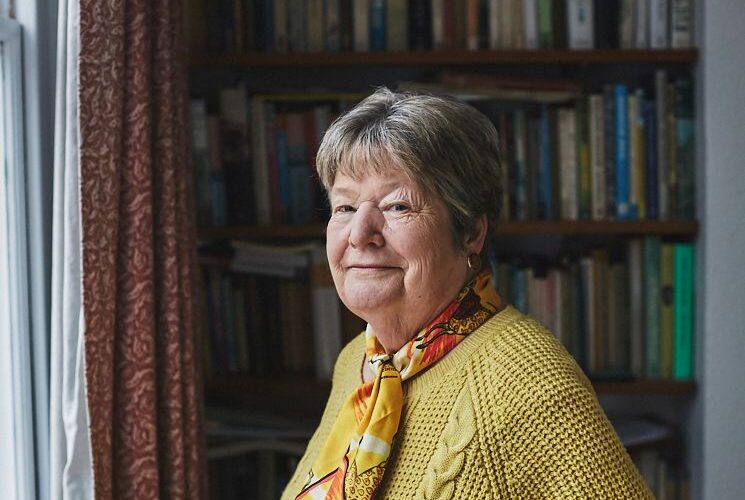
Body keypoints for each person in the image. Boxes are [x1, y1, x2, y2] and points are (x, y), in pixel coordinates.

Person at [281, 88, 652, 499]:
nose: (359, 234)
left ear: (471, 232)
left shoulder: (528, 381)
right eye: (345, 208)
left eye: (397, 206)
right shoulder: (359, 361)